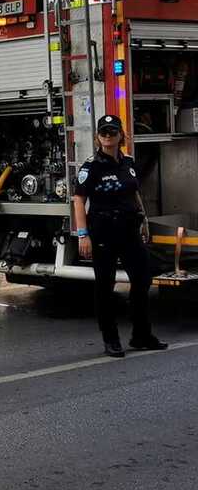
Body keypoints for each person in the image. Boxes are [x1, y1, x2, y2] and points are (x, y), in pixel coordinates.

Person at [73, 114, 167, 358]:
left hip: (129, 229)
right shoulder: (91, 166)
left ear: (120, 135)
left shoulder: (128, 163)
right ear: (97, 137)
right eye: (103, 132)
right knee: (105, 286)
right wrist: (83, 235)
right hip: (103, 231)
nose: (107, 136)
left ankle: (141, 335)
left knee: (143, 278)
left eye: (112, 132)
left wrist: (144, 219)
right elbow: (79, 200)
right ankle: (111, 338)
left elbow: (135, 193)